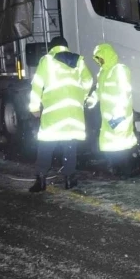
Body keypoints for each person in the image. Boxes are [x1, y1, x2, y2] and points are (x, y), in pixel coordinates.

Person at [28, 36, 93, 193]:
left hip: (53, 114)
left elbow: (37, 85)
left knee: (45, 146)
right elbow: (89, 81)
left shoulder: (47, 60)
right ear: (66, 46)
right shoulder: (79, 61)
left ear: (52, 47)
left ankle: (41, 179)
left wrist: (34, 107)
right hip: (73, 114)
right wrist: (81, 96)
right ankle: (69, 179)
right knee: (69, 147)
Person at [86, 43, 138, 178]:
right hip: (108, 117)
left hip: (120, 116)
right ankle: (116, 169)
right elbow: (99, 90)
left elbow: (124, 92)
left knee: (123, 145)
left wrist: (119, 113)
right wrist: (92, 100)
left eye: (100, 57)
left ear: (107, 55)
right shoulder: (102, 73)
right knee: (111, 145)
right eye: (97, 58)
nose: (99, 61)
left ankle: (125, 172)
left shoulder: (119, 70)